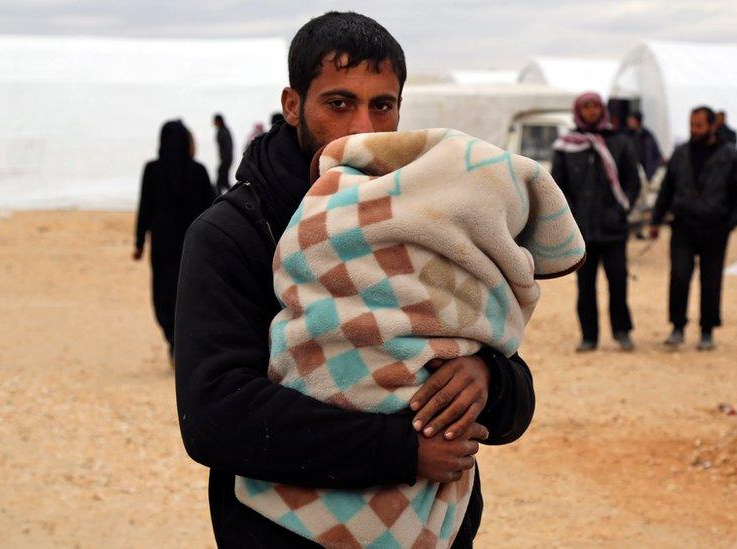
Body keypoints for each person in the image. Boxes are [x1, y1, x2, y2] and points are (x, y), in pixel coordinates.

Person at [174, 12, 536, 548]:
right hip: (283, 532)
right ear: (293, 105)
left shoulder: (425, 215)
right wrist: (401, 451)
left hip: (435, 529)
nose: (362, 128)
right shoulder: (236, 232)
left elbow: (510, 395)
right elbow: (216, 414)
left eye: (382, 105)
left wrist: (486, 376)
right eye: (338, 104)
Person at [649, 106, 737, 351]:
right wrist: (656, 219)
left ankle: (707, 330)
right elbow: (667, 188)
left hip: (715, 228)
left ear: (713, 125)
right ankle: (677, 326)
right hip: (683, 225)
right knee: (680, 276)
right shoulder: (681, 153)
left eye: (699, 125)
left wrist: (732, 222)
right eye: (691, 124)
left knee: (711, 280)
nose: (694, 130)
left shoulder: (730, 155)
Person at [553, 93, 640, 352]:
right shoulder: (566, 145)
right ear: (579, 111)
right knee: (585, 286)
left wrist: (621, 211)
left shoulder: (619, 142)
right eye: (586, 107)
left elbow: (632, 182)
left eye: (595, 107)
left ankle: (622, 331)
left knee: (618, 281)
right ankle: (589, 336)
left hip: (614, 230)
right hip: (582, 232)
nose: (591, 111)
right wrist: (571, 218)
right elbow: (557, 187)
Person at [133, 120, 216, 359]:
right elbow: (212, 208)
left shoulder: (152, 169)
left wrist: (139, 242)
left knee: (163, 290)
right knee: (191, 290)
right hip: (192, 241)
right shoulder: (198, 170)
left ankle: (172, 338)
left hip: (162, 240)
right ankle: (186, 342)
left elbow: (145, 207)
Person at [625, 111, 664, 181]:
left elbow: (656, 155)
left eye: (631, 120)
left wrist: (651, 171)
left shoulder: (647, 135)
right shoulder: (626, 136)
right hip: (633, 174)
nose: (629, 122)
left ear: (637, 121)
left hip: (647, 173)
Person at [213, 113, 234, 194]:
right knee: (224, 182)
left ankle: (218, 199)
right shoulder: (222, 131)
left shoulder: (223, 131)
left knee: (219, 183)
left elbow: (228, 147)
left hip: (226, 159)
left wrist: (224, 160)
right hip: (225, 159)